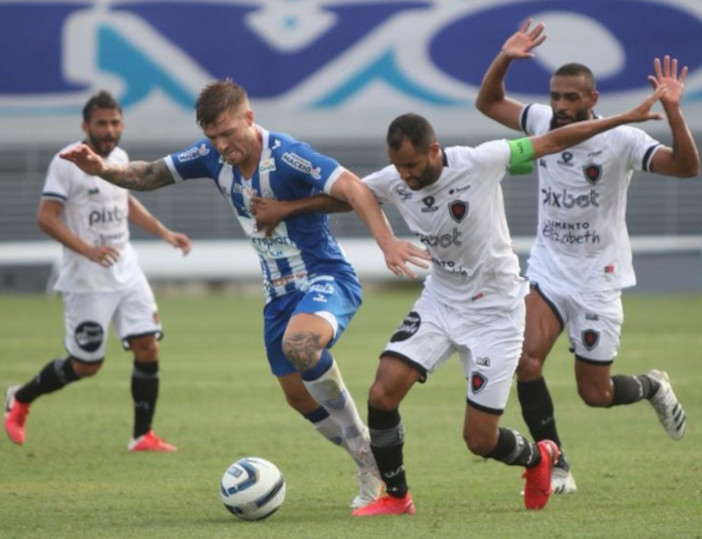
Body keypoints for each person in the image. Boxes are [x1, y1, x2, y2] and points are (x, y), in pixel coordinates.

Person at [249, 87, 669, 515]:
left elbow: (555, 141)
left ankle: (540, 458)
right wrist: (286, 209)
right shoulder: (396, 179)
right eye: (398, 167)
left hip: (498, 312)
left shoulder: (481, 161)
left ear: (434, 149)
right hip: (441, 300)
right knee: (383, 390)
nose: (405, 177)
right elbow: (346, 196)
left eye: (412, 165)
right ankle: (397, 497)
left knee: (480, 440)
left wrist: (622, 119)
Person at [58, 80, 429, 509]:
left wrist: (386, 242)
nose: (221, 145)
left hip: (324, 276)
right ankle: (363, 455)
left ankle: (365, 450)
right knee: (296, 396)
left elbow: (353, 188)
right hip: (277, 295)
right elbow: (151, 174)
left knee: (301, 346)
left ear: (249, 119)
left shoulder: (288, 155)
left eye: (228, 133)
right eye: (212, 137)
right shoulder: (212, 157)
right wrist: (103, 170)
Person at [474, 20, 700, 494]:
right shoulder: (540, 122)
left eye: (571, 98)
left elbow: (685, 167)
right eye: (556, 96)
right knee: (526, 362)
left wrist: (674, 112)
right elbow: (488, 102)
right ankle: (556, 465)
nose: (560, 106)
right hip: (550, 269)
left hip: (599, 276)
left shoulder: (622, 139)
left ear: (592, 100)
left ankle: (653, 386)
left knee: (595, 394)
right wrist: (505, 57)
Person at [4, 90, 192, 452]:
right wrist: (88, 250)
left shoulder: (119, 158)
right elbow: (46, 218)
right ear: (85, 126)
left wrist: (164, 232)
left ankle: (142, 436)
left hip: (127, 270)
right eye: (102, 123)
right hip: (87, 279)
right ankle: (21, 397)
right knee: (86, 365)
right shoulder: (67, 162)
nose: (109, 130)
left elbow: (125, 201)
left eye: (115, 122)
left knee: (147, 346)